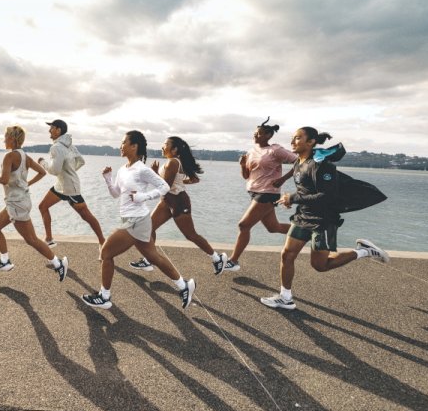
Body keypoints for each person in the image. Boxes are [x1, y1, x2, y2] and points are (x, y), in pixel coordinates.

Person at [260, 127, 389, 310]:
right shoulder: (299, 162)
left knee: (320, 265)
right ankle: (285, 297)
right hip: (303, 216)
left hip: (324, 219)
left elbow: (327, 196)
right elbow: (307, 189)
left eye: (298, 138)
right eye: (292, 138)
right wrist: (290, 199)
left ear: (311, 141)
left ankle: (364, 251)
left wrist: (293, 198)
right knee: (287, 255)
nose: (292, 141)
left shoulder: (322, 165)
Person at [81, 131, 196, 310]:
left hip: (136, 220)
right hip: (133, 218)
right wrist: (108, 180)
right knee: (153, 257)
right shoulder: (123, 169)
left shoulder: (142, 169)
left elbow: (164, 187)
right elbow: (115, 194)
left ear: (134, 146)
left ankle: (104, 296)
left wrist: (143, 196)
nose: (121, 146)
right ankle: (184, 286)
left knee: (106, 253)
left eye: (123, 142)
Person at [128, 136, 228, 275]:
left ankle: (217, 258)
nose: (162, 147)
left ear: (174, 149)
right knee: (149, 228)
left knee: (191, 235)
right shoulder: (171, 162)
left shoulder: (173, 163)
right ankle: (149, 259)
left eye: (165, 144)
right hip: (167, 201)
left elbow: (165, 186)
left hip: (179, 203)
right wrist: (179, 182)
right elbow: (192, 179)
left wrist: (154, 175)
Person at [0, 125, 68, 281]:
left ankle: (58, 264)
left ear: (12, 138)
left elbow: (3, 179)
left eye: (6, 137)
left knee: (31, 239)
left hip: (16, 204)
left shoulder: (9, 157)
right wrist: (27, 184)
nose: (4, 140)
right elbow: (42, 172)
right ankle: (5, 261)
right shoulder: (24, 156)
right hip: (20, 201)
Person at [227, 118, 297, 271]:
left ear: (268, 135)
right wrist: (241, 165)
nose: (254, 135)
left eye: (258, 133)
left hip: (268, 193)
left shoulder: (275, 150)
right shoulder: (251, 152)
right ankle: (308, 231)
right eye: (254, 133)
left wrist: (283, 179)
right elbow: (246, 176)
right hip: (254, 192)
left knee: (243, 225)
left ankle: (233, 261)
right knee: (273, 227)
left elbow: (299, 162)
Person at [37, 119, 105, 251]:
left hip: (70, 189)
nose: (49, 130)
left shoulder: (56, 147)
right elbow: (81, 161)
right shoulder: (70, 146)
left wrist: (42, 162)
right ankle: (49, 239)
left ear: (58, 130)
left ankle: (103, 243)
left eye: (51, 128)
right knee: (43, 206)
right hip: (61, 186)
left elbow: (54, 170)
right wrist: (70, 172)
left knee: (86, 216)